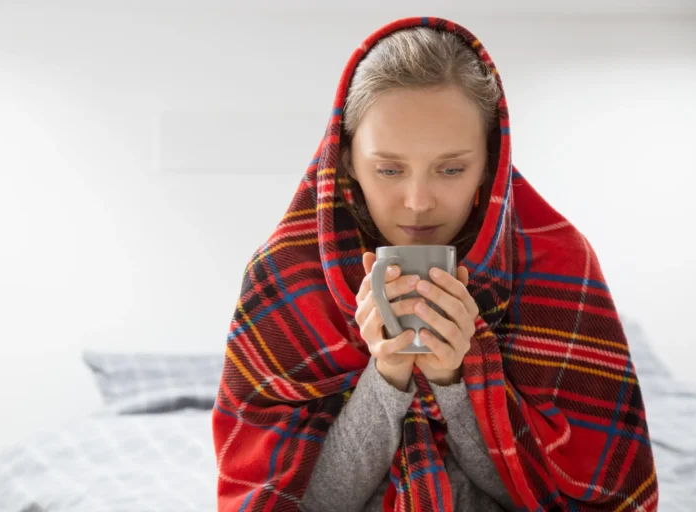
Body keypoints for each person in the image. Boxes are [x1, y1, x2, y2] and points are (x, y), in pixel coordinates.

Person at [212, 16, 657, 512]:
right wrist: (387, 375)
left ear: (491, 162)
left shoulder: (557, 261)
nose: (418, 201)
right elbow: (288, 502)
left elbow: (577, 497)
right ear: (346, 163)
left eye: (451, 169)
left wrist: (455, 379)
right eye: (388, 169)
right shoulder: (284, 276)